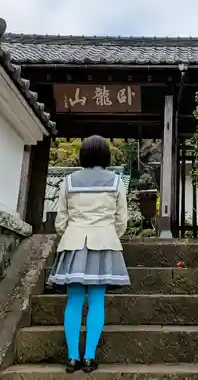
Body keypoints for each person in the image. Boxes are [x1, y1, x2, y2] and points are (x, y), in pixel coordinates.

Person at [47, 135, 130, 373]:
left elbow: (60, 220)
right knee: (96, 301)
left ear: (82, 155)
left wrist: (73, 231)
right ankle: (89, 357)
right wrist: (107, 233)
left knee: (73, 301)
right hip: (104, 243)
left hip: (73, 244)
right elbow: (121, 220)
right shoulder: (116, 182)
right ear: (105, 155)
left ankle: (72, 357)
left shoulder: (68, 182)